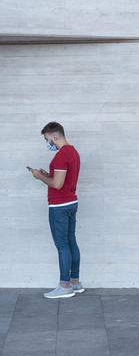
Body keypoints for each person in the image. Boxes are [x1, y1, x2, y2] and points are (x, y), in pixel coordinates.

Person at [30, 122, 84, 299]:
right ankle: (75, 282)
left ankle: (64, 285)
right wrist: (47, 175)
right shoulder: (73, 152)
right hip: (71, 203)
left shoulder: (61, 156)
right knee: (71, 242)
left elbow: (57, 184)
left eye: (47, 139)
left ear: (55, 136)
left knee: (62, 245)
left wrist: (39, 177)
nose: (47, 143)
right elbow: (61, 180)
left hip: (59, 206)